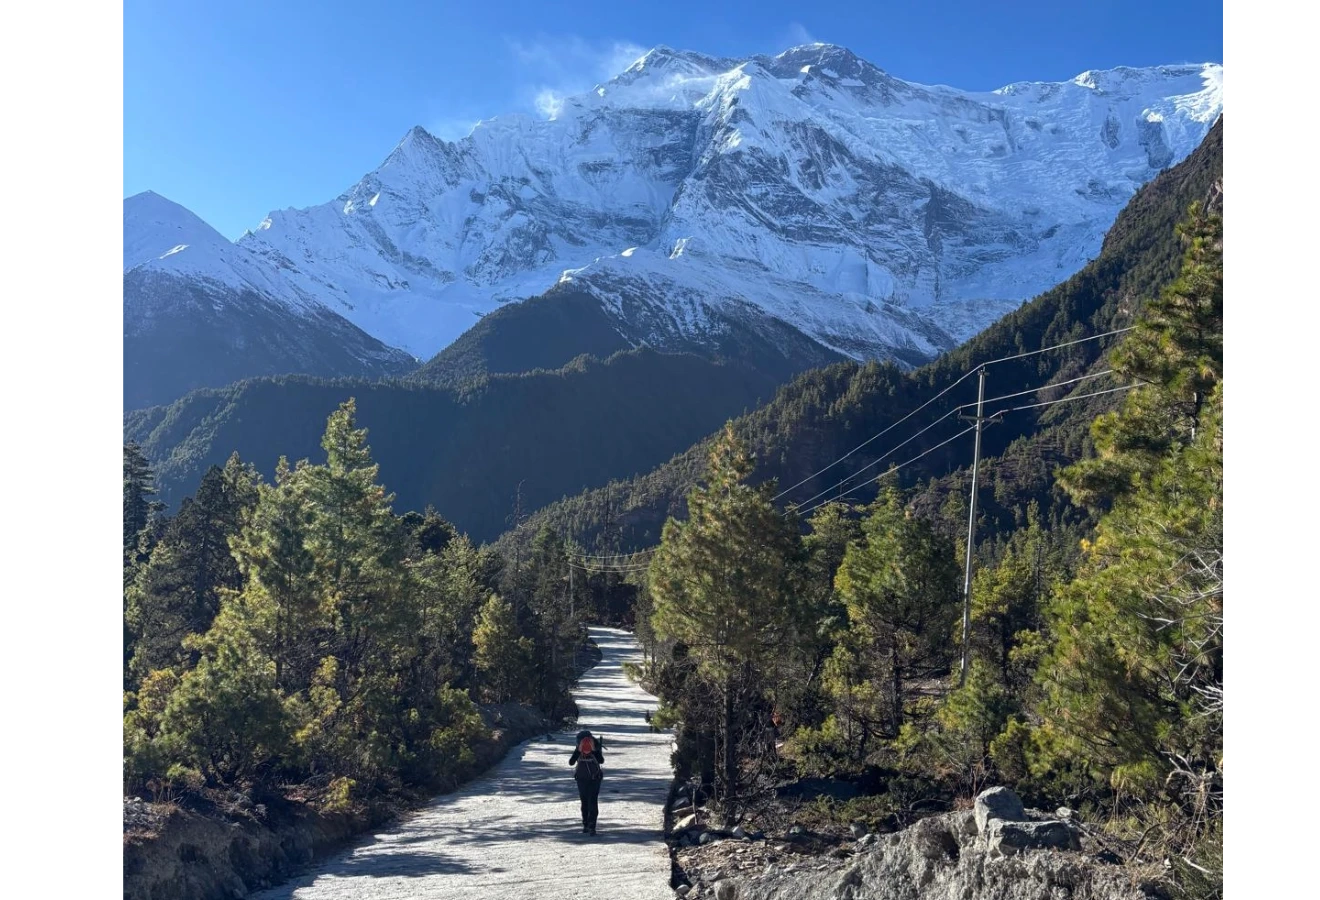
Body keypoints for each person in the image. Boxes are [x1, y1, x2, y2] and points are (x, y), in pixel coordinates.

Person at [569, 729, 605, 834]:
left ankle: (591, 826)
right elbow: (571, 762)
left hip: (594, 779)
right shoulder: (579, 750)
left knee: (592, 802)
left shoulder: (595, 748)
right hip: (582, 780)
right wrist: (578, 751)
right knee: (585, 802)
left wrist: (593, 750)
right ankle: (586, 824)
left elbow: (601, 760)